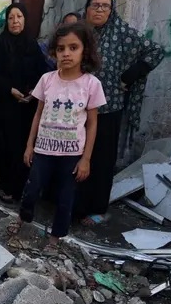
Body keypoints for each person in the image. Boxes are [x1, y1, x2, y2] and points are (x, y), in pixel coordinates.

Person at [7, 22, 106, 252]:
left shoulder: (91, 84)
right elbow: (38, 114)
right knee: (32, 189)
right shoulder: (47, 79)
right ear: (54, 52)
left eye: (73, 47)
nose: (66, 54)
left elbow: (92, 124)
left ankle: (55, 238)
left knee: (65, 197)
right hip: (43, 149)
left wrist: (86, 159)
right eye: (61, 49)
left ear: (85, 51)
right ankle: (23, 219)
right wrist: (29, 145)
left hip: (72, 154)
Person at [77, 0, 163, 226]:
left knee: (102, 160)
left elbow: (156, 51)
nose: (100, 10)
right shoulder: (80, 32)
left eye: (105, 6)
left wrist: (129, 76)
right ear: (87, 8)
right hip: (78, 107)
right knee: (76, 156)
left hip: (108, 107)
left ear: (111, 10)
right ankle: (75, 204)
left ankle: (97, 208)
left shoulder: (122, 33)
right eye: (95, 5)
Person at [0, 2, 47, 204]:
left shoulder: (32, 45)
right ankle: (4, 186)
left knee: (24, 146)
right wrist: (10, 90)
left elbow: (42, 73)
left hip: (26, 108)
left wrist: (33, 92)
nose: (15, 21)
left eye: (19, 17)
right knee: (5, 146)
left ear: (25, 19)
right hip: (5, 108)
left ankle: (23, 188)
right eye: (11, 17)